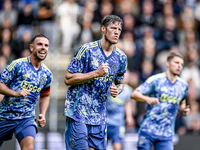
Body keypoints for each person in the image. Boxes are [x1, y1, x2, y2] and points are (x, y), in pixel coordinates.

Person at [63, 15, 127, 150]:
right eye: (113, 28)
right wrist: (95, 73)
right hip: (78, 113)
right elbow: (68, 78)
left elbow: (120, 82)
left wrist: (118, 89)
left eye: (119, 29)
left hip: (100, 117)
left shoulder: (121, 58)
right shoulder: (87, 50)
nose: (116, 32)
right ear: (103, 29)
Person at [0, 34, 53, 150]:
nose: (43, 47)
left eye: (46, 45)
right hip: (4, 116)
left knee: (28, 147)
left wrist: (43, 114)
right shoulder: (17, 65)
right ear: (31, 47)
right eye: (39, 44)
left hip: (26, 118)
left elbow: (45, 95)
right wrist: (16, 93)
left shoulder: (47, 74)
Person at [131, 51, 190, 150]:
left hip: (166, 134)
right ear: (167, 63)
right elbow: (134, 94)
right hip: (148, 129)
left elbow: (182, 102)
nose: (179, 66)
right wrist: (147, 99)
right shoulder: (156, 80)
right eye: (176, 63)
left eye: (181, 64)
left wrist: (183, 110)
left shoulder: (183, 86)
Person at [107, 70, 135, 150]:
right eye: (124, 76)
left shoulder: (128, 90)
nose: (126, 78)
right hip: (105, 121)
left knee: (117, 146)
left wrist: (129, 117)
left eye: (128, 77)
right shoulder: (111, 86)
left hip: (118, 123)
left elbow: (127, 103)